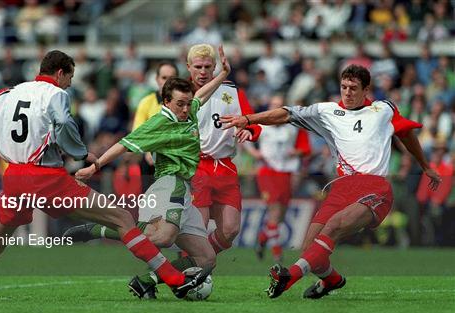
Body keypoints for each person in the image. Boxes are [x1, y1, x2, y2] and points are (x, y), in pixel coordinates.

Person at [0, 50, 207, 301]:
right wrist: (82, 154)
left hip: (14, 177)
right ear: (60, 73)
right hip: (46, 177)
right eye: (70, 77)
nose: (70, 84)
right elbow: (66, 129)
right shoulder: (57, 94)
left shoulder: (5, 94)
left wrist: (11, 143)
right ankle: (176, 280)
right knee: (122, 218)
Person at [221, 64, 441, 299]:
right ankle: (332, 280)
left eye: (353, 88)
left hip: (375, 187)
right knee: (309, 249)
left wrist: (425, 166)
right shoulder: (325, 111)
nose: (347, 92)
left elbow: (406, 133)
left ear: (366, 89)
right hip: (342, 187)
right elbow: (285, 113)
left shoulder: (383, 109)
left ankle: (289, 277)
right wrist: (248, 118)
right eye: (343, 87)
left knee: (334, 227)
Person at [65, 46, 231, 299]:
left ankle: (144, 281)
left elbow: (202, 96)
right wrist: (95, 166)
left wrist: (222, 75)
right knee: (163, 238)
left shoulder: (189, 109)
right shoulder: (160, 122)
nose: (186, 109)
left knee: (207, 259)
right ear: (166, 102)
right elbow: (124, 144)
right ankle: (98, 230)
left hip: (186, 190)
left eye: (188, 103)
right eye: (180, 104)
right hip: (169, 183)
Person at [187, 43, 262, 255]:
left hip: (225, 167)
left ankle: (192, 261)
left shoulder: (231, 91)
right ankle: (195, 268)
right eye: (198, 67)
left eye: (207, 67)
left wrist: (249, 130)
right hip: (196, 166)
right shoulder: (182, 93)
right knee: (197, 228)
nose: (202, 72)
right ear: (188, 67)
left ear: (214, 68)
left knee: (230, 230)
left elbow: (253, 121)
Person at [244, 95, 311, 262]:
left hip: (287, 172)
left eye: (279, 106)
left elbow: (305, 148)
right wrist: (254, 153)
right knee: (274, 210)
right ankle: (277, 254)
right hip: (267, 171)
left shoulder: (293, 127)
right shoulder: (261, 125)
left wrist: (296, 152)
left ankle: (262, 239)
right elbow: (243, 136)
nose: (275, 110)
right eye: (273, 105)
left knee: (280, 215)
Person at [132, 61, 179, 191]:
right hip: (151, 159)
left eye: (171, 78)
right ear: (157, 79)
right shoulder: (146, 102)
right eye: (164, 78)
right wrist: (149, 151)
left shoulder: (184, 104)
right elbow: (138, 134)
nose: (167, 82)